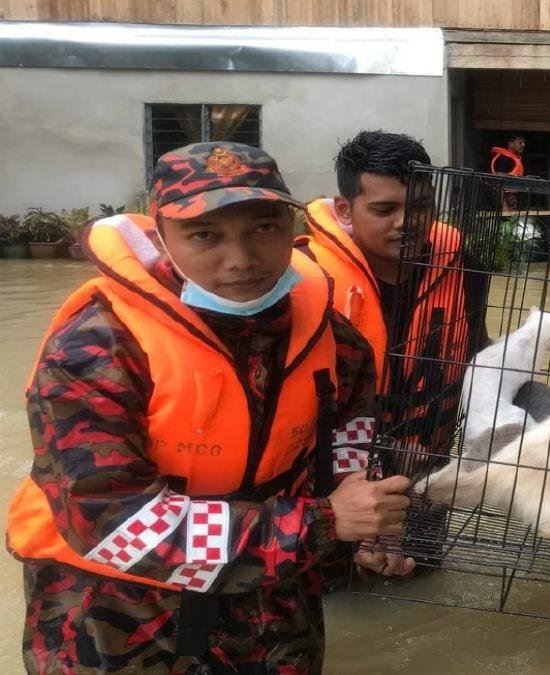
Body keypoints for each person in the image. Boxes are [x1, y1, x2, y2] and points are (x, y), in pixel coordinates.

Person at [7, 142, 413, 672]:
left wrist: (373, 528)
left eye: (264, 228)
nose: (241, 259)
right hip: (116, 607)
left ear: (290, 229)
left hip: (273, 595)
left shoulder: (334, 339)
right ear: (162, 235)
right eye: (205, 235)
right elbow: (113, 525)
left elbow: (349, 451)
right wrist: (326, 524)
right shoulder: (96, 347)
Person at [299, 130, 490, 577]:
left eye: (421, 207)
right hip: (329, 483)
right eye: (385, 210)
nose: (408, 223)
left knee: (416, 580)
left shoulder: (466, 269)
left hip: (423, 466)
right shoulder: (303, 279)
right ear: (344, 210)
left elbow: (479, 357)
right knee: (331, 590)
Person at [490, 134, 526, 212]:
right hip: (506, 199)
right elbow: (498, 183)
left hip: (512, 197)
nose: (523, 145)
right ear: (510, 144)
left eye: (523, 142)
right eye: (520, 142)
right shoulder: (504, 159)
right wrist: (504, 206)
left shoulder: (515, 158)